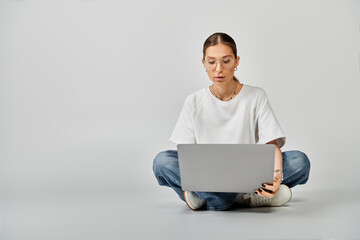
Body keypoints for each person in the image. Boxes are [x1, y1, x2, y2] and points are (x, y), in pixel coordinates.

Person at [153, 32, 310, 211]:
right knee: (162, 161)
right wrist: (205, 178)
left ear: (236, 61)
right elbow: (186, 157)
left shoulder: (256, 96)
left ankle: (206, 197)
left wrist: (276, 176)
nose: (218, 69)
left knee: (299, 161)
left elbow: (271, 144)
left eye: (226, 61)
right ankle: (245, 197)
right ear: (203, 63)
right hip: (209, 175)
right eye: (211, 62)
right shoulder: (193, 101)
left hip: (248, 172)